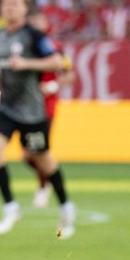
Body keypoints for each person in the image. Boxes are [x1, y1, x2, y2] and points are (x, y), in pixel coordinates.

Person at [0, 0, 75, 238]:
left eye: (14, 3)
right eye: (5, 3)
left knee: (43, 160)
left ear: (25, 8)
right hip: (7, 107)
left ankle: (66, 207)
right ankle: (10, 206)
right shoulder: (0, 36)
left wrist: (26, 63)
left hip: (32, 111)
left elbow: (57, 61)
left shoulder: (34, 35)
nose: (9, 8)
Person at [24, 11, 74, 208]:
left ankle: (43, 189)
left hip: (46, 107)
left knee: (38, 150)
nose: (36, 24)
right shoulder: (25, 47)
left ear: (46, 24)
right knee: (28, 155)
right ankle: (51, 175)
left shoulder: (55, 48)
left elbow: (70, 75)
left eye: (39, 20)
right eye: (33, 20)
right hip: (26, 107)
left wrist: (53, 86)